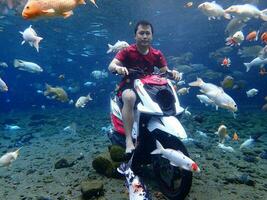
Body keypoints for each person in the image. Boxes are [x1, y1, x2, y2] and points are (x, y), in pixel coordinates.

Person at [108, 20, 180, 155]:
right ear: (135, 36)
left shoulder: (157, 54)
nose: (145, 36)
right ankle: (129, 141)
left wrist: (173, 73)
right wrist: (118, 68)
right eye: (141, 33)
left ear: (152, 36)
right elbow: (111, 66)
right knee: (129, 97)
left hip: (149, 87)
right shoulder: (127, 51)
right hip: (130, 85)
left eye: (148, 33)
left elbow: (165, 71)